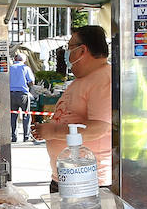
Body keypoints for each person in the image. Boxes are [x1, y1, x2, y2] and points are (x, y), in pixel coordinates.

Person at [33, 25, 113, 190]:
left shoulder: (104, 79)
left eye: (69, 48)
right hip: (68, 178)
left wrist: (53, 132)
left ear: (82, 50)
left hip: (86, 183)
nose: (67, 54)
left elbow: (98, 128)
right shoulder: (83, 79)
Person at [5, 53, 36, 142]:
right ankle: (26, 136)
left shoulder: (10, 68)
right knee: (26, 115)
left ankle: (14, 136)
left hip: (11, 94)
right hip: (23, 94)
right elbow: (31, 81)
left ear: (15, 59)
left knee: (13, 115)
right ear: (24, 60)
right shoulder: (25, 68)